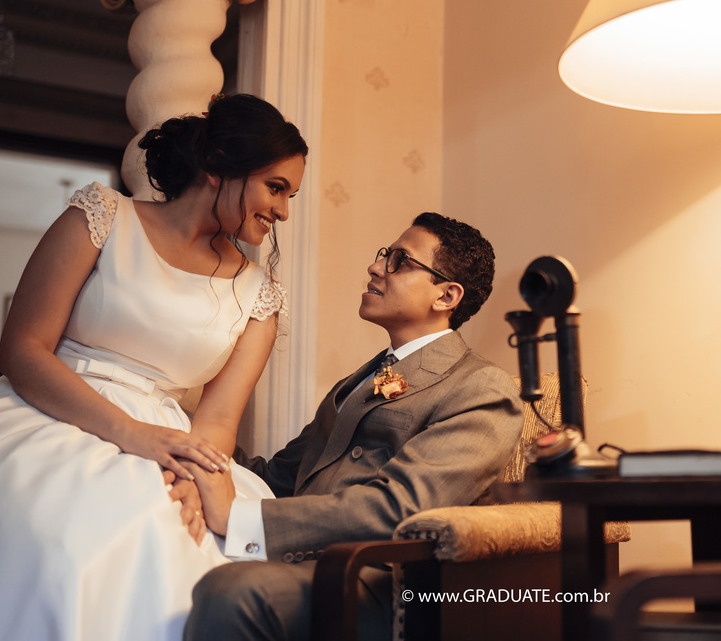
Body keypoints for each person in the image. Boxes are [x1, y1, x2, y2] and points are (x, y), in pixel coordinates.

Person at [0, 94, 308, 641]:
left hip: (173, 443)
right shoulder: (101, 217)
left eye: (290, 195)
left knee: (201, 550)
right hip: (46, 410)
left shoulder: (260, 295)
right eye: (275, 188)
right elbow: (23, 348)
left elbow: (217, 420)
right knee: (57, 537)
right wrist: (132, 434)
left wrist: (196, 477)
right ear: (218, 167)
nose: (283, 211)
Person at [183, 212, 524, 641]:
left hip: (387, 585)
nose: (376, 267)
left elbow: (401, 508)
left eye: (400, 261)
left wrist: (241, 518)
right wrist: (177, 421)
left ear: (446, 296)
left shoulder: (480, 387)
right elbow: (278, 477)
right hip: (309, 563)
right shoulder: (360, 380)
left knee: (231, 591)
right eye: (385, 255)